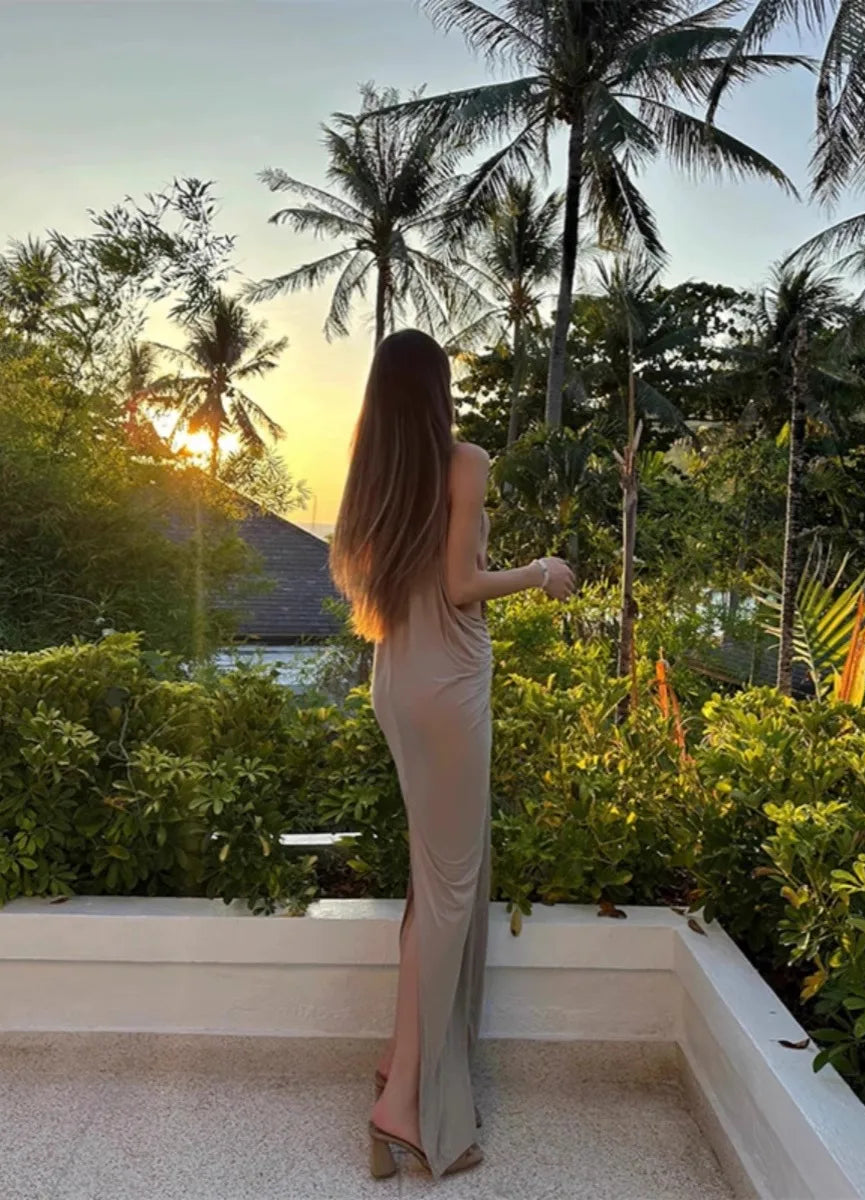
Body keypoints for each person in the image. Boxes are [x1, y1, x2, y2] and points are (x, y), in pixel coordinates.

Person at [329, 329, 575, 1181]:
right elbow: (463, 586)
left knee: (430, 887)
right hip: (449, 691)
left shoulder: (373, 481)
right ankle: (404, 1109)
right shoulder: (464, 463)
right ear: (436, 390)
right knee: (451, 894)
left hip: (397, 683)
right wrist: (540, 571)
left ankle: (400, 1072)